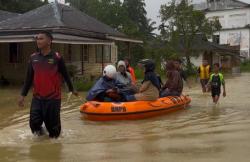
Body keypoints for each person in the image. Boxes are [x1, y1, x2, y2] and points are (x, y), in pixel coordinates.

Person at [18, 31, 77, 138]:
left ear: (49, 41)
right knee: (34, 124)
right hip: (37, 98)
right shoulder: (33, 58)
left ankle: (53, 147)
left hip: (53, 98)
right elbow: (28, 78)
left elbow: (66, 75)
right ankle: (41, 143)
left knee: (53, 129)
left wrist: (72, 89)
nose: (38, 41)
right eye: (37, 39)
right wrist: (23, 95)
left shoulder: (57, 57)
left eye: (41, 38)